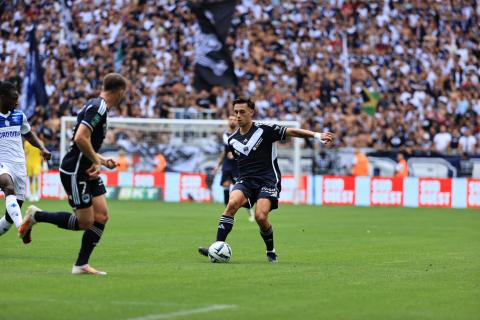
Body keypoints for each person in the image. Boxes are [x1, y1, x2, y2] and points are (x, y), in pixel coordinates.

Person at [198, 97, 335, 262]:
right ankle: (217, 247)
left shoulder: (265, 129)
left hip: (268, 180)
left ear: (251, 112)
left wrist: (316, 135)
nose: (238, 115)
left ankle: (271, 250)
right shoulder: (233, 140)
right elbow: (240, 162)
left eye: (242, 112)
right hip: (246, 180)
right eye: (236, 112)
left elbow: (292, 132)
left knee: (260, 217)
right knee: (231, 204)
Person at [19, 73, 127, 275]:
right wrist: (97, 161)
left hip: (86, 169)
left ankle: (81, 265)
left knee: (102, 215)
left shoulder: (95, 106)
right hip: (75, 171)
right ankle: (36, 215)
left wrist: (102, 161)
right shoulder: (99, 107)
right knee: (85, 222)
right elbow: (80, 138)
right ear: (120, 91)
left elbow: (85, 142)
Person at [0, 81, 51, 242]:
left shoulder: (19, 116)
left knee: (10, 215)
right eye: (14, 98)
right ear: (2, 98)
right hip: (2, 162)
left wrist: (42, 148)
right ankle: (23, 226)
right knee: (8, 187)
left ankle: (19, 223)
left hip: (19, 165)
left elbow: (29, 135)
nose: (17, 102)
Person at [213, 115, 254, 222]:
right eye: (230, 119)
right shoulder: (225, 135)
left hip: (238, 165)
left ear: (237, 121)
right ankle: (228, 214)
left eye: (234, 119)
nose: (232, 121)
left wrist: (236, 154)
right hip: (227, 164)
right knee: (226, 186)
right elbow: (224, 151)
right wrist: (218, 164)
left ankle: (249, 209)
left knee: (241, 190)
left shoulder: (241, 134)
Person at [24, 131, 44, 201]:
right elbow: (26, 154)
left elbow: (42, 154)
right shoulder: (27, 143)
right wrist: (25, 163)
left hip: (37, 163)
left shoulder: (40, 143)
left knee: (36, 178)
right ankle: (31, 195)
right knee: (31, 179)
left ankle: (36, 194)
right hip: (29, 163)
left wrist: (43, 164)